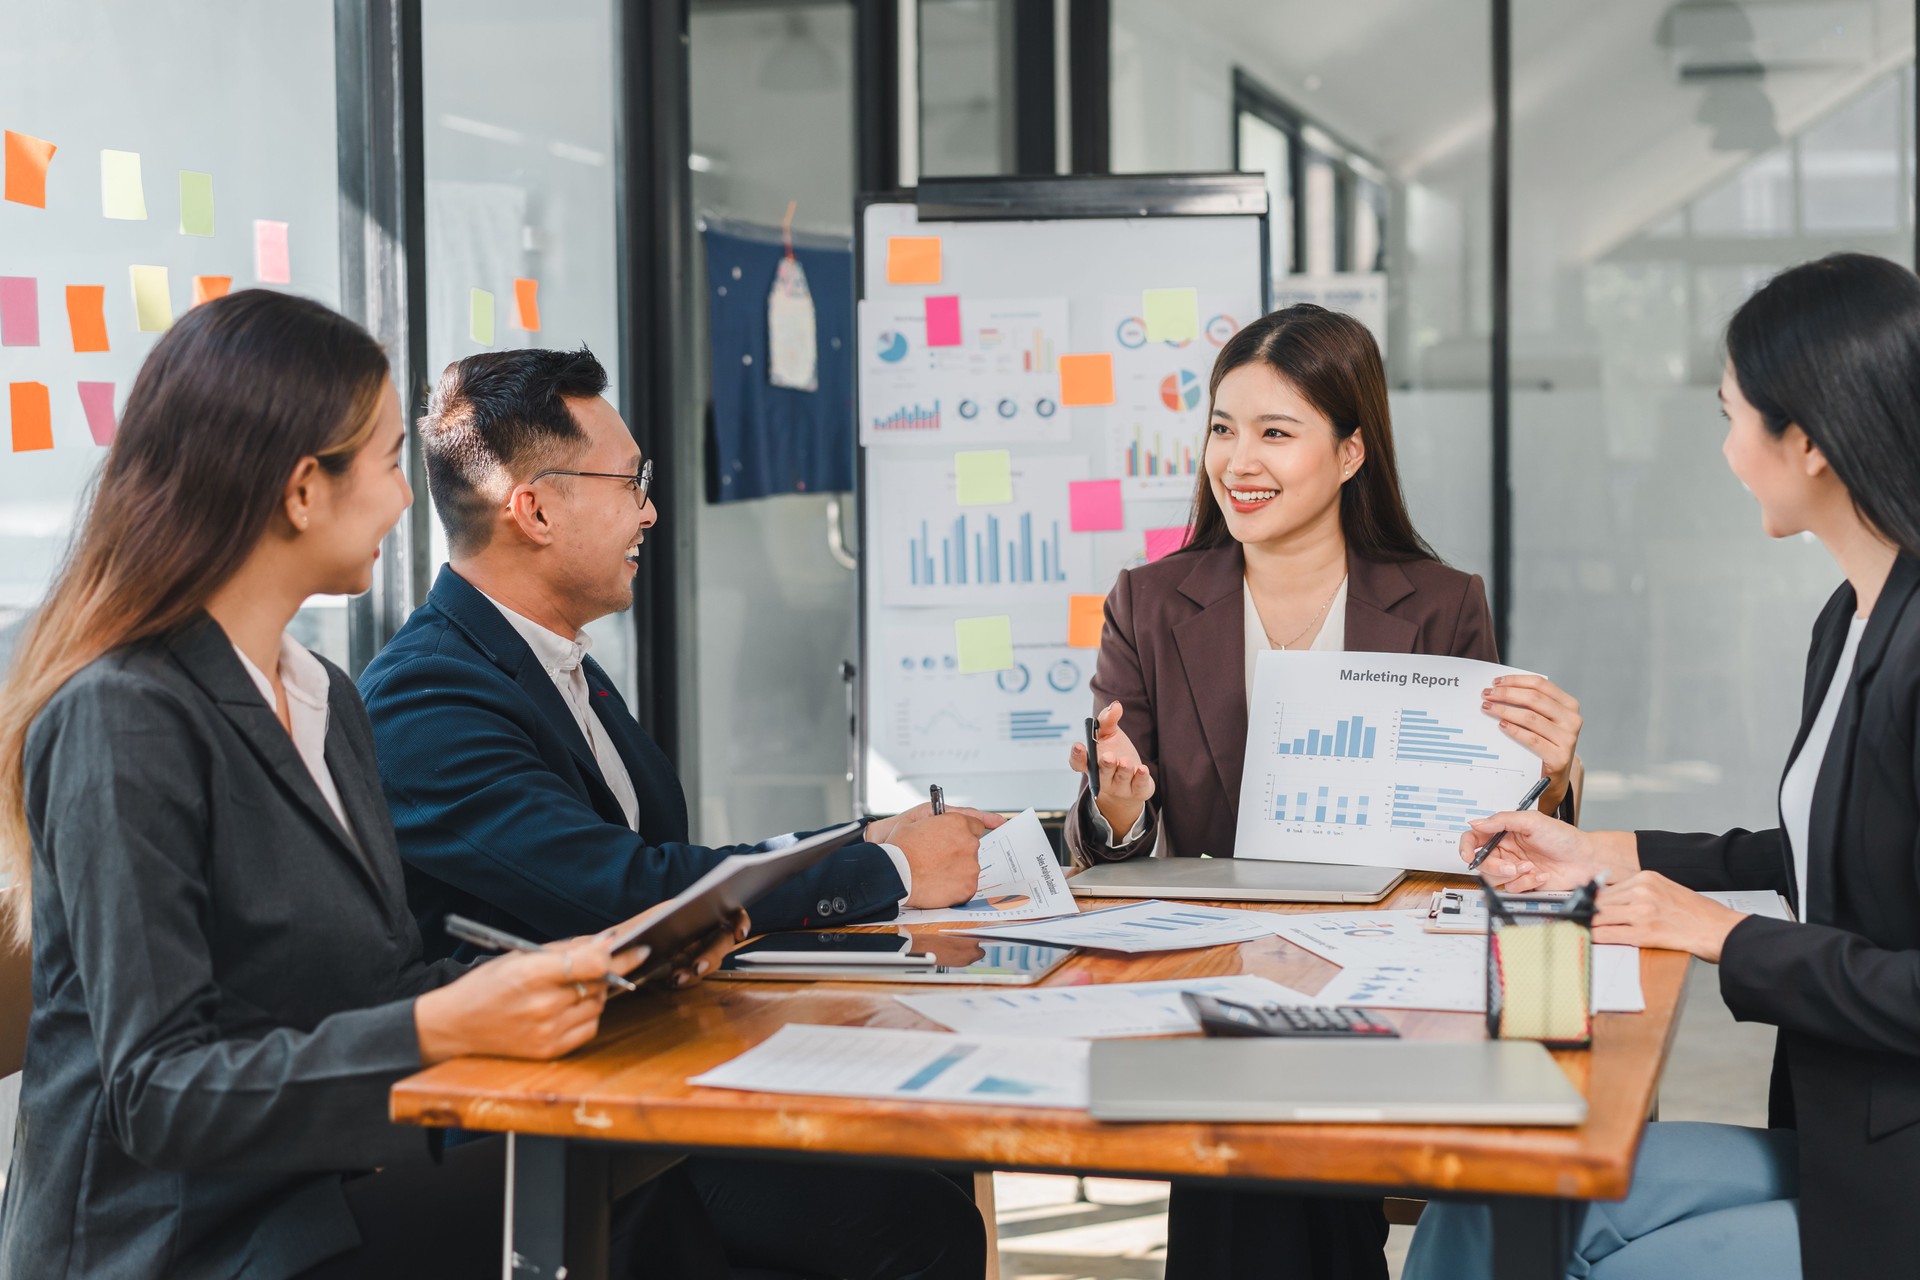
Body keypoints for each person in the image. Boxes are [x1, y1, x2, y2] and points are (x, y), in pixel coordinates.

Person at [0, 290, 739, 1280]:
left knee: (661, 1152)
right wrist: (444, 1020)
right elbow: (158, 1092)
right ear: (305, 489)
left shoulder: (325, 697)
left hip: (317, 1184)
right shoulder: (123, 713)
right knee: (635, 1181)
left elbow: (368, 986)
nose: (406, 498)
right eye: (390, 461)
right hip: (183, 1240)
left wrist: (578, 971)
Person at [358, 346, 989, 1280]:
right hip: (544, 1117)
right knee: (902, 1219)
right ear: (532, 508)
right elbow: (617, 892)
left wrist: (864, 838)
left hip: (648, 1057)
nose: (650, 510)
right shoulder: (428, 695)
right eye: (630, 482)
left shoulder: (550, 658)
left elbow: (659, 860)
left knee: (928, 1150)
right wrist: (888, 871)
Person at [1406, 253, 1920, 1280]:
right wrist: (1608, 852)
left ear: (1809, 441)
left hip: (1896, 1175)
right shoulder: (1853, 617)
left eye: (1732, 415)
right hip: (1845, 1134)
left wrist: (1718, 932)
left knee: (1585, 1256)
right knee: (1482, 1194)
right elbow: (1832, 842)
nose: (1726, 448)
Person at [1062, 305, 1588, 1280]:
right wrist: (1122, 805)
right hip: (1222, 976)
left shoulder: (1439, 600)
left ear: (1351, 451)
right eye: (1223, 426)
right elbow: (1107, 841)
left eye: (1275, 431)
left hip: (1393, 983)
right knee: (1259, 1130)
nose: (1238, 459)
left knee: (1264, 1156)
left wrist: (1548, 775)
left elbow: (1488, 837)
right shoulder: (1150, 597)